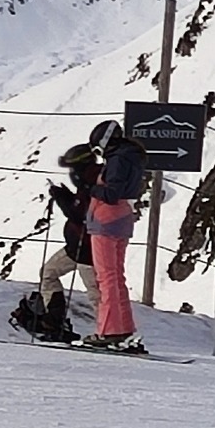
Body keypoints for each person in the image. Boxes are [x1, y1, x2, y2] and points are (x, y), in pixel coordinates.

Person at [11, 135, 101, 341]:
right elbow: (79, 209)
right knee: (48, 272)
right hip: (75, 248)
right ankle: (53, 320)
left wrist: (61, 198)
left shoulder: (92, 186)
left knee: (97, 296)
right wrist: (65, 196)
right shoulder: (89, 183)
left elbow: (81, 215)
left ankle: (108, 334)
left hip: (87, 252)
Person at [81, 122, 152, 351]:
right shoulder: (131, 156)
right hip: (122, 218)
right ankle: (123, 328)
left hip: (106, 221)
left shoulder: (117, 159)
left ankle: (109, 331)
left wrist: (89, 188)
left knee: (106, 277)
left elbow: (111, 193)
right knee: (116, 276)